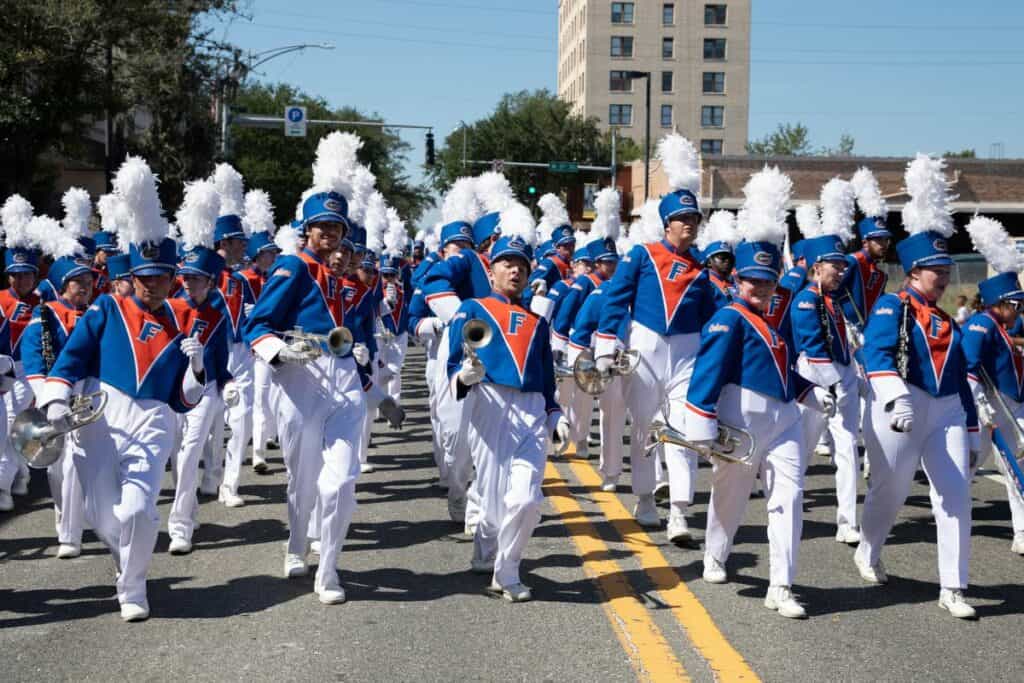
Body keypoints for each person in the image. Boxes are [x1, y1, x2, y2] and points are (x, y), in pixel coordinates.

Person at [37, 156, 207, 621]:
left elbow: (182, 399)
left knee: (136, 511)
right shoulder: (107, 308)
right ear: (132, 278)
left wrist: (196, 367)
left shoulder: (185, 318)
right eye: (145, 277)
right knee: (101, 516)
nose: (153, 285)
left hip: (153, 420)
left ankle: (132, 589)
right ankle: (125, 558)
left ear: (174, 278)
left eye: (162, 277)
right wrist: (54, 399)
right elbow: (71, 358)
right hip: (99, 417)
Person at [687, 173, 833, 617]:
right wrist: (701, 425)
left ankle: (782, 585)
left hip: (785, 419)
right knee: (729, 496)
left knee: (788, 498)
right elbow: (707, 373)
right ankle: (715, 552)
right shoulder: (728, 318)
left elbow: (784, 367)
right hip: (741, 421)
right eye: (752, 280)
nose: (761, 288)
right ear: (738, 280)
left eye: (767, 281)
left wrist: (810, 392)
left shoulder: (777, 317)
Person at [856, 154, 979, 619]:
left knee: (955, 493)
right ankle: (868, 549)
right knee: (890, 489)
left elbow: (961, 376)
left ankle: (954, 587)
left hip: (945, 410)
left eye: (946, 271)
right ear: (913, 273)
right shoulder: (892, 307)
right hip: (901, 407)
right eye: (936, 272)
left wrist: (969, 429)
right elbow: (877, 355)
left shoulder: (950, 320)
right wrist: (895, 396)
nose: (944, 278)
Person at [243, 191, 369, 605]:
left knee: (341, 481)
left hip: (343, 374)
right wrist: (282, 352)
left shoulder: (340, 277)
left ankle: (329, 569)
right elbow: (258, 325)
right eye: (323, 226)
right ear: (307, 229)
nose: (330, 233)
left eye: (336, 227)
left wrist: (366, 364)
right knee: (302, 475)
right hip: (302, 375)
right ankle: (297, 546)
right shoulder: (293, 265)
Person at [594, 134, 718, 540]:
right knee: (645, 426)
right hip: (644, 347)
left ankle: (680, 511)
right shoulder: (642, 254)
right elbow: (615, 299)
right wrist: (606, 347)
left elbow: (719, 317)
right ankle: (646, 498)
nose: (690, 226)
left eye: (695, 220)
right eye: (683, 220)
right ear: (667, 224)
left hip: (687, 353)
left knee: (683, 429)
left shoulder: (703, 270)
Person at [446, 228, 568, 602]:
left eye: (521, 265)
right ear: (492, 269)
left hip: (530, 409)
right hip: (490, 401)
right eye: (506, 263)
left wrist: (555, 415)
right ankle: (486, 549)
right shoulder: (472, 308)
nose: (515, 271)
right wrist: (463, 377)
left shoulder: (538, 321)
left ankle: (509, 569)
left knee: (527, 498)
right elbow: (453, 362)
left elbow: (547, 379)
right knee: (494, 495)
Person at [20, 214, 98, 556]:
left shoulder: (97, 312)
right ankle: (65, 519)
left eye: (89, 281)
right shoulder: (44, 314)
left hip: (88, 393)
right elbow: (34, 356)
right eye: (78, 282)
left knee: (78, 463)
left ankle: (71, 534)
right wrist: (49, 397)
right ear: (64, 285)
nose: (86, 286)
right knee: (58, 466)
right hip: (55, 393)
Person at [166, 179, 233, 555]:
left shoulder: (218, 312)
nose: (189, 284)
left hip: (204, 390)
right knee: (177, 457)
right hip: (172, 390)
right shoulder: (170, 308)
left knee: (191, 452)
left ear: (210, 280)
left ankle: (180, 527)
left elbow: (221, 358)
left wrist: (226, 382)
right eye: (186, 278)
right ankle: (187, 512)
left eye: (196, 279)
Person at [960, 215, 1024, 555]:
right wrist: (981, 407)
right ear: (1000, 303)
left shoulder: (1001, 326)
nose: (1020, 310)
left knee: (1019, 464)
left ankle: (1022, 531)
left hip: (1010, 405)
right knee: (967, 465)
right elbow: (969, 369)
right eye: (1016, 304)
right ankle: (953, 512)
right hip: (988, 408)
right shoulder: (980, 325)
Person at [0, 194, 42, 506]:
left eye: (27, 273)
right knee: (9, 424)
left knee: (17, 420)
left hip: (27, 369)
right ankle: (18, 474)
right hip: (4, 367)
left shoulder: (42, 302)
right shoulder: (0, 299)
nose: (22, 279)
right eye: (16, 274)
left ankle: (7, 481)